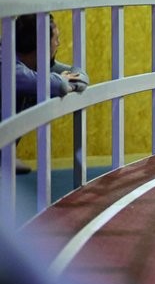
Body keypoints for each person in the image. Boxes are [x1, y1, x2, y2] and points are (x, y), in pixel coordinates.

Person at [0, 13, 89, 173]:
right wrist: (61, 82)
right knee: (36, 89)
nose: (59, 43)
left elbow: (79, 76)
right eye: (56, 39)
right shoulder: (7, 66)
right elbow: (57, 84)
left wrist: (65, 81)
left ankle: (4, 156)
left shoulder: (34, 62)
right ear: (41, 46)